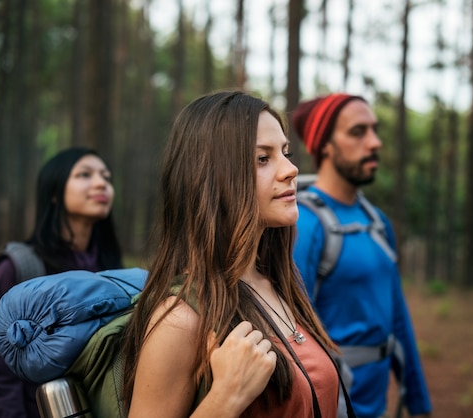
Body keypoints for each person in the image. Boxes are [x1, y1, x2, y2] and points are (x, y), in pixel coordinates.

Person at [121, 90, 347, 418]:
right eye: (263, 158)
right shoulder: (180, 321)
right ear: (213, 178)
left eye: (285, 152)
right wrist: (225, 398)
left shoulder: (277, 284)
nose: (291, 169)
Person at [291, 93, 432, 418]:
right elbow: (294, 338)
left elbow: (398, 318)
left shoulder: (376, 221)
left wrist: (419, 403)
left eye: (374, 130)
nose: (374, 143)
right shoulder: (305, 225)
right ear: (324, 144)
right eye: (358, 132)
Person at [0, 146, 123, 418]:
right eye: (84, 174)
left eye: (106, 177)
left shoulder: (112, 268)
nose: (101, 184)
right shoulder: (20, 267)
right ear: (53, 193)